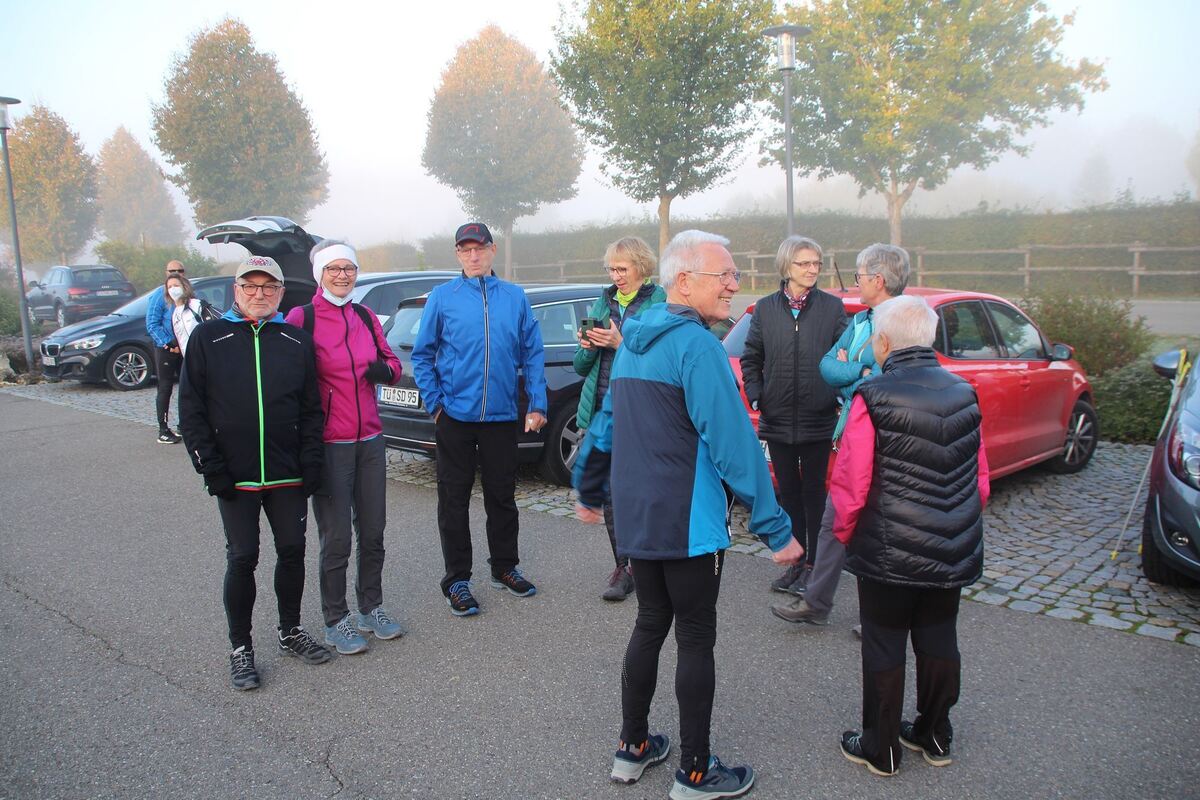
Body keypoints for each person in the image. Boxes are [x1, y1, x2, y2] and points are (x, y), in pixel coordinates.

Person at [574, 230, 804, 800]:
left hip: (637, 518)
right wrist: (776, 527)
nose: (734, 284)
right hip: (688, 521)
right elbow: (733, 445)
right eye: (722, 274)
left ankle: (632, 749)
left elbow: (604, 421)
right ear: (683, 281)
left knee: (651, 622)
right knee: (695, 638)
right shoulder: (697, 346)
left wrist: (588, 484)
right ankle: (696, 773)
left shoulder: (631, 342)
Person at [830, 295, 989, 776]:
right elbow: (980, 477)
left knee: (884, 641)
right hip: (953, 539)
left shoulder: (873, 395)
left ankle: (881, 746)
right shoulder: (964, 391)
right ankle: (936, 732)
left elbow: (852, 480)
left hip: (888, 545)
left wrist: (843, 532)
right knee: (940, 635)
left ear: (882, 342)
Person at [179, 255, 331, 691]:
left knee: (292, 552)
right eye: (251, 286)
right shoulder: (209, 338)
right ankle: (240, 648)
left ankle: (289, 631)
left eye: (269, 287)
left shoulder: (296, 340)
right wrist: (210, 467)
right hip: (235, 475)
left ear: (281, 294)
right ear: (236, 290)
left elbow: (311, 408)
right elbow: (191, 410)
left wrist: (312, 462)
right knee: (243, 557)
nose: (259, 294)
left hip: (287, 474)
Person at [411, 222, 547, 617]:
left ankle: (504, 567)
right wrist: (436, 404)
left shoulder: (515, 298)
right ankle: (457, 580)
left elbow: (532, 353)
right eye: (465, 250)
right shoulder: (443, 297)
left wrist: (537, 403)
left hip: (501, 416)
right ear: (457, 254)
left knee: (502, 497)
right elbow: (422, 354)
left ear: (492, 250)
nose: (473, 256)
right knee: (453, 500)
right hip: (455, 415)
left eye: (480, 249)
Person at [771, 244, 910, 627]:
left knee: (877, 528)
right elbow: (829, 367)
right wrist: (858, 375)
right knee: (835, 518)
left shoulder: (903, 322)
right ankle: (817, 601)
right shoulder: (863, 320)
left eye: (860, 277)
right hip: (851, 432)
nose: (856, 283)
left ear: (878, 280)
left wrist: (856, 377)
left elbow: (884, 382)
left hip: (883, 435)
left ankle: (878, 617)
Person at [284, 239, 405, 654]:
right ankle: (336, 618)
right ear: (320, 273)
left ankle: (372, 607)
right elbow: (286, 375)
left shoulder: (366, 315)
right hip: (329, 443)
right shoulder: (303, 317)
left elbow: (393, 364)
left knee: (373, 531)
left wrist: (382, 369)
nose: (342, 275)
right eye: (333, 269)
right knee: (336, 538)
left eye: (349, 269)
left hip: (370, 438)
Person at [740, 236, 847, 596]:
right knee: (787, 494)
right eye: (805, 263)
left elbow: (844, 356)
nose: (813, 269)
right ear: (787, 267)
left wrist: (835, 393)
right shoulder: (766, 308)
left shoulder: (832, 309)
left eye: (816, 263)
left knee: (814, 494)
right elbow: (751, 356)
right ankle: (796, 562)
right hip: (779, 417)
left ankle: (815, 566)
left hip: (819, 418)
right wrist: (756, 394)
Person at [573, 236, 666, 601]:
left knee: (643, 494)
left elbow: (659, 357)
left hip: (641, 410)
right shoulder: (604, 300)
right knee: (610, 494)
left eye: (622, 269)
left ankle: (649, 563)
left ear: (642, 266)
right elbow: (582, 366)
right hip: (602, 409)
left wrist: (618, 342)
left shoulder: (658, 301)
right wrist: (587, 346)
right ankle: (624, 566)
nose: (616, 276)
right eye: (612, 269)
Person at [147, 259, 187, 444]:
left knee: (187, 387)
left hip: (185, 348)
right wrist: (168, 342)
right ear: (166, 272)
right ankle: (163, 429)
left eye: (180, 270)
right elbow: (152, 323)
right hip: (166, 349)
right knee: (165, 387)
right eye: (172, 270)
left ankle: (183, 425)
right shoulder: (159, 295)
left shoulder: (189, 294)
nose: (176, 273)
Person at [168, 274, 217, 357]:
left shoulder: (197, 305)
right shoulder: (175, 314)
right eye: (169, 287)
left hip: (207, 355)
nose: (172, 289)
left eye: (176, 285)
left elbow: (213, 329)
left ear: (184, 287)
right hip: (189, 360)